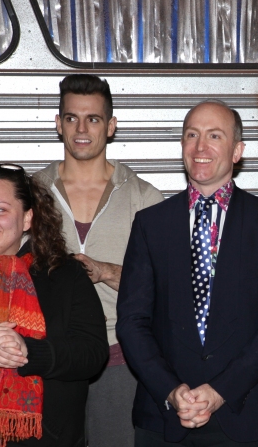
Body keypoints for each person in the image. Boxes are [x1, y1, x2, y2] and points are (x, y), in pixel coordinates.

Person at [116, 99, 258, 446]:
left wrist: (220, 391)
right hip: (164, 416)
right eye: (192, 135)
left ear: (237, 151)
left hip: (243, 413)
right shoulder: (150, 224)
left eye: (214, 135)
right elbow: (131, 321)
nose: (200, 147)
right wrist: (171, 391)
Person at [0, 163, 108, 447]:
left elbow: (91, 353)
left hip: (47, 439)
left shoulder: (63, 274)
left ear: (27, 219)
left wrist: (28, 351)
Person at [34, 74, 163, 447]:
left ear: (111, 126)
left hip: (119, 356)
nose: (81, 128)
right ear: (58, 124)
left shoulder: (143, 197)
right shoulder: (32, 193)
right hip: (51, 355)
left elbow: (168, 286)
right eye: (71, 117)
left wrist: (105, 271)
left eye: (93, 118)